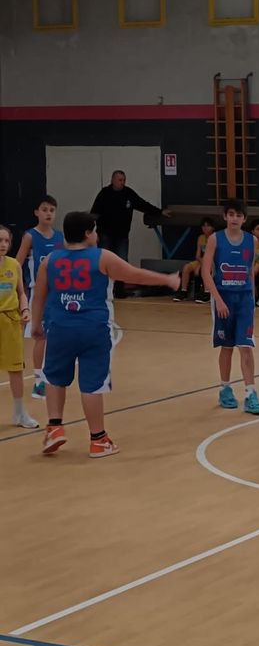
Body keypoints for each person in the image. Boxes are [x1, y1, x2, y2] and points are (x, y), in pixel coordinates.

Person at [31, 212, 179, 458]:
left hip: (59, 327)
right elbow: (135, 275)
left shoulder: (51, 260)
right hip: (93, 329)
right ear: (88, 233)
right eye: (95, 230)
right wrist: (167, 279)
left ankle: (54, 428)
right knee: (92, 385)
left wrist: (36, 325)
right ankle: (98, 440)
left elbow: (39, 296)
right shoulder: (102, 257)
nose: (97, 234)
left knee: (54, 378)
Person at [201, 199, 259, 416]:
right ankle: (225, 388)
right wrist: (218, 300)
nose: (234, 218)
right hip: (223, 296)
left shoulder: (252, 240)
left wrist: (252, 299)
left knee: (246, 346)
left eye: (239, 215)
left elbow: (250, 271)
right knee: (226, 346)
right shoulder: (215, 239)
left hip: (244, 298)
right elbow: (205, 271)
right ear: (225, 216)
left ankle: (251, 393)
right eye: (231, 214)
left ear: (244, 218)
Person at [89, 170, 170, 298]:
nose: (122, 182)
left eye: (124, 180)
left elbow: (142, 204)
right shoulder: (104, 193)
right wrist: (90, 231)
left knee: (122, 261)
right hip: (105, 234)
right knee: (103, 262)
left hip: (122, 235)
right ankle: (101, 290)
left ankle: (119, 291)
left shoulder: (128, 193)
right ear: (113, 180)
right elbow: (94, 213)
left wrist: (159, 212)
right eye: (120, 180)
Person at [15, 194, 63, 399]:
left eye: (52, 210)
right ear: (36, 212)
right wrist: (19, 291)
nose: (48, 213)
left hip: (58, 293)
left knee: (57, 335)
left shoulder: (60, 237)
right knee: (40, 336)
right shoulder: (30, 236)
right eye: (44, 209)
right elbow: (17, 264)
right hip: (39, 293)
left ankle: (52, 376)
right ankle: (38, 381)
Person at [1, 226, 38, 428]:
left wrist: (25, 309)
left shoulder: (14, 264)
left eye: (6, 241)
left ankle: (19, 413)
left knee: (16, 369)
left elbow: (21, 292)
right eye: (0, 240)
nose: (3, 244)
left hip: (11, 322)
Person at [173, 217, 215, 302]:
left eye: (208, 226)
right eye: (203, 226)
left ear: (213, 227)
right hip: (202, 260)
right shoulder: (201, 238)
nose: (205, 228)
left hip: (213, 261)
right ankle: (184, 291)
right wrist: (200, 264)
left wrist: (201, 265)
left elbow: (213, 256)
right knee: (186, 267)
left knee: (205, 268)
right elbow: (197, 256)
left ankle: (207, 293)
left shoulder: (215, 238)